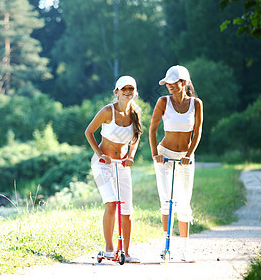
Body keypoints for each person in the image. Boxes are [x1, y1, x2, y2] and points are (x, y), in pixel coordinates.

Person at [149, 65, 203, 262]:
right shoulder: (163, 102)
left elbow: (197, 133)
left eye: (173, 82)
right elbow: (152, 130)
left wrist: (189, 154)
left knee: (184, 202)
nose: (169, 86)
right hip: (164, 155)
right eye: (167, 83)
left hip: (185, 157)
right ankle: (166, 246)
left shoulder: (196, 104)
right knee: (167, 200)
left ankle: (185, 250)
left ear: (184, 83)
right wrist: (155, 154)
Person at [85, 76, 142, 263]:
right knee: (111, 203)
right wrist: (100, 154)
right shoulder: (107, 111)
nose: (127, 91)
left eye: (131, 88)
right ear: (116, 92)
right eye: (123, 88)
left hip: (122, 166)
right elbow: (89, 132)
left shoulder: (136, 111)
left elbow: (136, 137)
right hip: (101, 165)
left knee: (127, 210)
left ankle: (126, 251)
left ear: (134, 91)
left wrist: (131, 156)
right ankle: (109, 249)